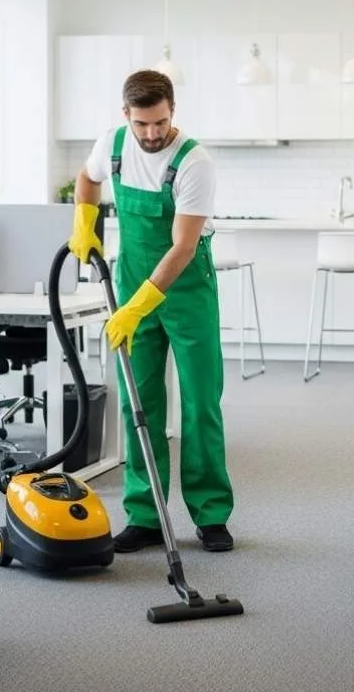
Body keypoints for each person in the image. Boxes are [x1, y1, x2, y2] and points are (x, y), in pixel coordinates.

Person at [68, 69, 235, 553]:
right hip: (131, 283)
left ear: (172, 111)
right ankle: (144, 513)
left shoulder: (194, 162)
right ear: (126, 114)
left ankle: (211, 513)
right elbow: (87, 178)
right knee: (138, 402)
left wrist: (138, 306)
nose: (152, 133)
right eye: (142, 123)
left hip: (186, 290)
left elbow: (183, 247)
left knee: (200, 402)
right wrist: (84, 222)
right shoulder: (114, 143)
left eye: (160, 122)